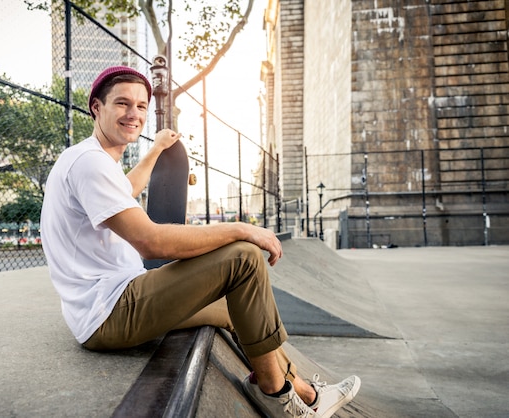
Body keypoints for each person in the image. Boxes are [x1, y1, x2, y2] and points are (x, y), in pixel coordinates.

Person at [40, 65, 361, 418]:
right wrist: (242, 228)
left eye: (142, 106)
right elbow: (150, 241)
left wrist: (157, 149)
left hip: (106, 303)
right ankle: (278, 396)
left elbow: (126, 192)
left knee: (234, 307)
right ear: (96, 108)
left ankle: (304, 394)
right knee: (244, 258)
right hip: (110, 312)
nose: (134, 114)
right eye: (122, 104)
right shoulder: (89, 163)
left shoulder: (92, 160)